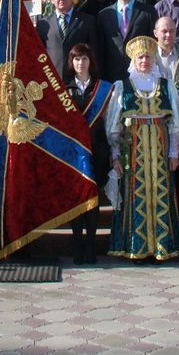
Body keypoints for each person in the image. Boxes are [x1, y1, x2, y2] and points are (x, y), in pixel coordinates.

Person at [106, 36, 179, 261]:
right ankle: (137, 245)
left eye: (149, 57)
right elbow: (114, 126)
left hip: (160, 148)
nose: (145, 61)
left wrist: (174, 152)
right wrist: (116, 155)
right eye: (141, 57)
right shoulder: (123, 85)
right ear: (134, 59)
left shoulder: (165, 85)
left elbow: (174, 123)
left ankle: (162, 245)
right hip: (134, 150)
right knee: (135, 193)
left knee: (160, 191)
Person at [63, 43, 116, 265]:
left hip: (96, 149)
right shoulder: (64, 89)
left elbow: (109, 122)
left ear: (90, 62)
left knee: (93, 199)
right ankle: (77, 244)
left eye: (84, 59)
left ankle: (91, 246)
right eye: (76, 59)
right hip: (75, 152)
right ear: (71, 63)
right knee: (77, 199)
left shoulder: (103, 88)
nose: (80, 63)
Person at [97, 0, 159, 81]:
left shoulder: (149, 12)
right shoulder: (104, 15)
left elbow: (153, 45)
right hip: (112, 75)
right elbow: (101, 49)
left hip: (141, 75)